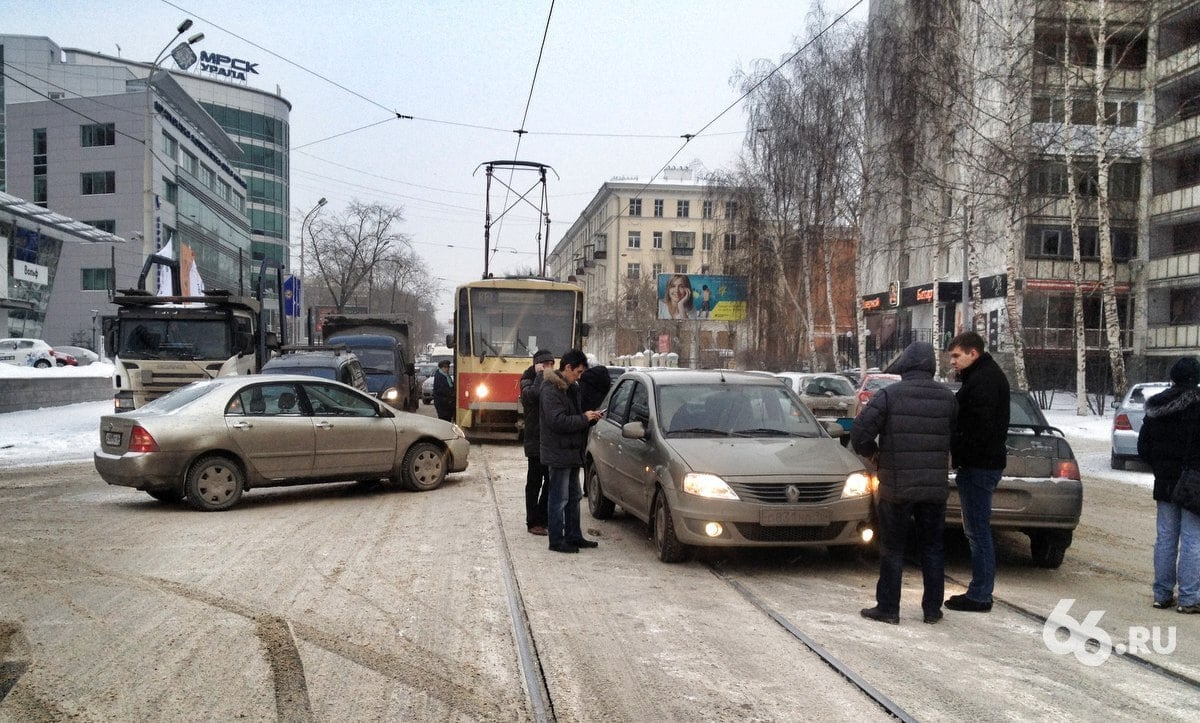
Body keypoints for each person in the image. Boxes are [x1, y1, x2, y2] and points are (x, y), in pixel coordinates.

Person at [851, 341, 957, 625]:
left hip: (896, 486)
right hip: (934, 488)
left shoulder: (888, 396)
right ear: (932, 366)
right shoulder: (948, 398)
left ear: (905, 366)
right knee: (932, 547)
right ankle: (932, 609)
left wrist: (874, 454)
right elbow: (957, 439)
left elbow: (859, 433)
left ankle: (888, 608)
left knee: (893, 548)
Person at [945, 331, 1010, 614]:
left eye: (957, 356)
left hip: (979, 466)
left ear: (974, 353)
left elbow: (977, 429)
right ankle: (980, 591)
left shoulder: (983, 382)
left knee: (978, 531)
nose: (953, 362)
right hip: (981, 464)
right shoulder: (983, 377)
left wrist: (957, 448)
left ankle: (981, 594)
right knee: (977, 530)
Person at [1137, 356, 1200, 614]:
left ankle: (1162, 594)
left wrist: (1161, 468)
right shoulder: (1198, 408)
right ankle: (1189, 599)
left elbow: (1143, 448)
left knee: (1165, 538)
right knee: (1192, 540)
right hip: (1194, 482)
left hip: (1164, 481)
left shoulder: (1156, 407)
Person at [540, 348, 603, 553]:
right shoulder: (551, 389)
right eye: (578, 372)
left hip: (573, 452)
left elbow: (574, 417)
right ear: (567, 368)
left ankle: (574, 535)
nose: (579, 377)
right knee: (559, 498)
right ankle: (556, 540)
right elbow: (557, 421)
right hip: (558, 453)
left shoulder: (572, 388)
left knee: (574, 497)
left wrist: (590, 417)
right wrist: (585, 418)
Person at [520, 349, 555, 536]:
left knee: (550, 480)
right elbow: (531, 396)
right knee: (534, 482)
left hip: (549, 440)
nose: (548, 368)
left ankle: (543, 517)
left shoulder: (553, 380)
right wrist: (540, 375)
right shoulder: (527, 380)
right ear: (536, 365)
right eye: (544, 364)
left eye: (551, 364)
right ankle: (532, 521)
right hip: (534, 440)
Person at [432, 359, 455, 423]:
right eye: (445, 367)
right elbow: (441, 389)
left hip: (446, 402)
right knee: (444, 420)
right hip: (442, 402)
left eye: (448, 367)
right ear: (441, 368)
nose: (447, 369)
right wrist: (450, 394)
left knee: (447, 419)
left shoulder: (446, 375)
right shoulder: (440, 376)